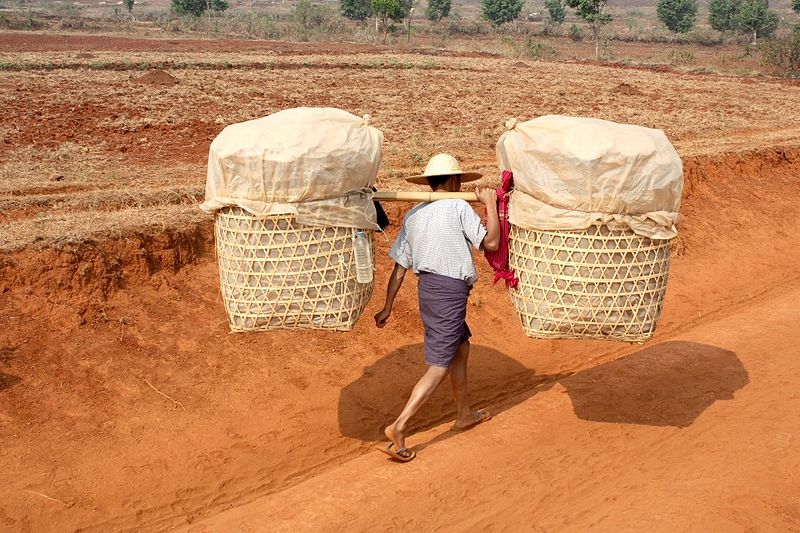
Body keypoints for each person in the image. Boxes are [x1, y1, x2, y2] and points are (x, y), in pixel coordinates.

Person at [374, 153, 500, 463]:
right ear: (457, 181)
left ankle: (463, 413)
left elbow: (400, 268)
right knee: (440, 364)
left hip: (428, 290)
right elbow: (492, 244)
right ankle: (399, 427)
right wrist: (492, 205)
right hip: (449, 291)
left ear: (430, 183)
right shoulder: (459, 206)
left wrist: (388, 306)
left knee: (461, 347)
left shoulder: (415, 214)